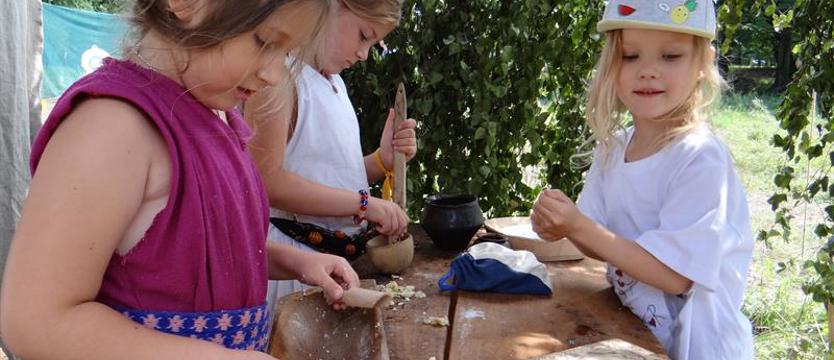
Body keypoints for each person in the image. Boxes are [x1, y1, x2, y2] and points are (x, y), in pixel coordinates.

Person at [0, 0, 360, 359]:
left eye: (286, 52)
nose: (274, 74)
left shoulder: (217, 120)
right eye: (265, 42)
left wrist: (294, 262)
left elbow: (202, 252)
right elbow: (33, 320)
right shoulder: (111, 127)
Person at [530, 1, 754, 359]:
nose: (648, 71)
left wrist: (579, 226)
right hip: (634, 335)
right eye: (631, 56)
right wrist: (565, 226)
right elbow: (597, 239)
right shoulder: (615, 147)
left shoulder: (700, 157)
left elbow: (674, 276)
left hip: (700, 349)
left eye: (670, 56)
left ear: (703, 63)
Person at [245, 0, 415, 300]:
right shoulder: (279, 78)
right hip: (292, 270)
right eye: (364, 35)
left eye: (373, 44)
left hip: (334, 269)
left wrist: (380, 160)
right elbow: (266, 181)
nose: (364, 54)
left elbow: (325, 174)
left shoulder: (335, 84)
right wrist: (364, 204)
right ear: (330, 6)